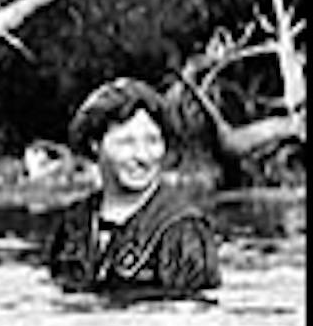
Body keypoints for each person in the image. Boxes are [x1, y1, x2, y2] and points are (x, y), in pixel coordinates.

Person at [42, 76, 222, 298]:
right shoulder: (74, 223)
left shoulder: (183, 229)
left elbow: (192, 317)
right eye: (127, 143)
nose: (143, 156)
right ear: (95, 144)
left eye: (153, 141)